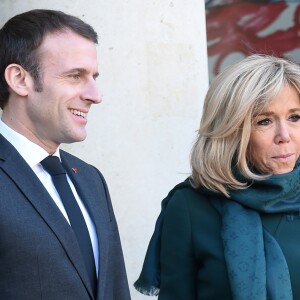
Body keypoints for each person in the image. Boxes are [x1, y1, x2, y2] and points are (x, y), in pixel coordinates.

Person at [134, 54, 300, 299]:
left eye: (294, 117)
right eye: (264, 121)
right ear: (231, 131)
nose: (284, 135)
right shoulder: (190, 207)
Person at [0, 9, 130, 300]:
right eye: (75, 76)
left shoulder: (90, 179)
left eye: (93, 77)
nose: (95, 95)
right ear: (20, 80)